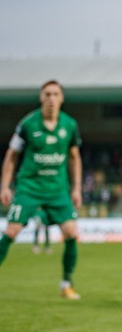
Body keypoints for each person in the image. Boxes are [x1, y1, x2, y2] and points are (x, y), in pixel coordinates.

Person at [0, 80, 83, 300]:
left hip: (58, 190)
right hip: (29, 188)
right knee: (11, 231)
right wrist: (5, 186)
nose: (52, 99)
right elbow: (11, 156)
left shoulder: (70, 125)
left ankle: (66, 284)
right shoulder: (27, 124)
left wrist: (76, 189)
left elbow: (75, 157)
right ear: (41, 97)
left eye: (56, 94)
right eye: (47, 94)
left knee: (72, 233)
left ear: (62, 98)